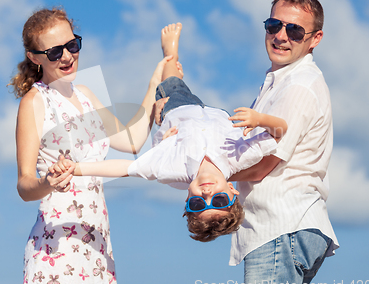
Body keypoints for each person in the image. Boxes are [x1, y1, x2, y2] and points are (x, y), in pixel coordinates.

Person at [52, 23, 287, 242]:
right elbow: (280, 132)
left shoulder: (171, 168)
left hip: (177, 109)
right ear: (232, 190)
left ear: (188, 199)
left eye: (198, 203)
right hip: (215, 114)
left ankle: (169, 53)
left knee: (171, 77)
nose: (207, 194)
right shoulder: (240, 158)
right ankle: (169, 85)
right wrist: (260, 119)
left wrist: (76, 169)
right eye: (219, 200)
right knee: (180, 93)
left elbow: (126, 168)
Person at [8, 7, 170, 284]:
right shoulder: (34, 102)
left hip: (97, 245)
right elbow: (24, 185)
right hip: (56, 248)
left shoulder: (86, 94)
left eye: (72, 45)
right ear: (34, 58)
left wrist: (155, 81)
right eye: (55, 52)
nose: (68, 57)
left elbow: (131, 141)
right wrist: (47, 183)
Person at [226, 0, 339, 284]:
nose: (280, 36)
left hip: (282, 226)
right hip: (283, 228)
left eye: (295, 30)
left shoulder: (299, 85)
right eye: (273, 25)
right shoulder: (281, 80)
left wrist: (211, 175)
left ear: (315, 39)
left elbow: (264, 164)